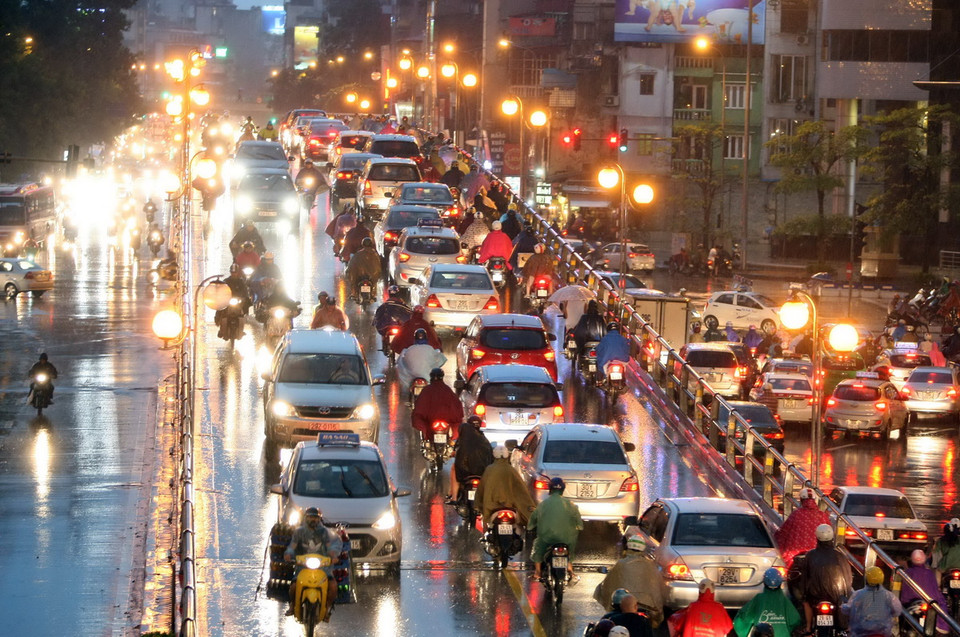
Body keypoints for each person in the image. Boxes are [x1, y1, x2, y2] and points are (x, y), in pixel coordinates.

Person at [283, 507, 342, 619]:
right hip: (303, 567)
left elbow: (330, 547)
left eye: (315, 517)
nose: (313, 520)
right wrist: (288, 553)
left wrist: (333, 556)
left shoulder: (324, 532)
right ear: (306, 518)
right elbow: (292, 546)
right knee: (294, 586)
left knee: (333, 586)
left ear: (319, 519)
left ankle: (327, 608)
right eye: (310, 517)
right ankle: (292, 605)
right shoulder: (299, 532)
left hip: (323, 567)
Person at [594, 536, 665, 628]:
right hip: (648, 607)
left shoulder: (621, 564)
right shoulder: (650, 565)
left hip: (624, 607)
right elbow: (657, 587)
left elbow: (608, 586)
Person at [796, 524, 854, 634]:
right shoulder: (840, 556)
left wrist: (803, 593)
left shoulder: (810, 555)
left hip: (815, 596)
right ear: (832, 538)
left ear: (817, 538)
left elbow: (804, 577)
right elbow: (848, 579)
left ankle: (808, 627)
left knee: (806, 602)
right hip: (837, 597)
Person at [529, 477, 583, 581]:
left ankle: (538, 572)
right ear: (562, 489)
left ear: (550, 489)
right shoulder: (570, 504)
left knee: (538, 549)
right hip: (567, 539)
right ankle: (570, 570)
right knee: (569, 551)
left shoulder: (543, 504)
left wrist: (530, 526)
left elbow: (533, 519)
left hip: (546, 538)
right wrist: (578, 527)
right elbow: (579, 522)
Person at [474, 443, 536, 525]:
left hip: (491, 508)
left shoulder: (489, 470)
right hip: (510, 507)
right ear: (507, 456)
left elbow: (481, 491)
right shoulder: (511, 470)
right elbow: (522, 491)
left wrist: (478, 505)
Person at [774, 487, 831, 570]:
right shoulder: (823, 516)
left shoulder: (796, 514)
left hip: (795, 555)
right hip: (819, 556)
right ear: (815, 500)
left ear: (801, 500)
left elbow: (783, 532)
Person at [733, 568, 801, 637]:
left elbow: (744, 618)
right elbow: (795, 620)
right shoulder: (784, 600)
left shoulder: (759, 598)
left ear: (764, 582)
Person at [900, 549, 950, 633]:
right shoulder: (929, 573)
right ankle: (941, 626)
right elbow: (935, 591)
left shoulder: (907, 573)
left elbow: (904, 594)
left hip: (911, 603)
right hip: (928, 601)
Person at [842, 567, 901, 637]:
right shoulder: (889, 596)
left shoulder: (858, 594)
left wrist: (843, 606)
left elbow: (847, 609)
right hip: (883, 633)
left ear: (866, 578)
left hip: (860, 633)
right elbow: (897, 611)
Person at [447, 418, 495, 503]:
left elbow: (457, 450)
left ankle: (453, 496)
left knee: (454, 469)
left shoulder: (464, 437)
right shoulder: (483, 438)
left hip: (464, 469)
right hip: (482, 470)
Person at [667, 579, 733, 637]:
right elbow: (728, 627)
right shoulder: (719, 608)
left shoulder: (692, 607)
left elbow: (678, 623)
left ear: (700, 592)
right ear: (713, 592)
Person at [411, 368, 463, 441]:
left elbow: (419, 409)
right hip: (445, 425)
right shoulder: (447, 390)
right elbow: (458, 410)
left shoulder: (427, 390)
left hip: (431, 426)